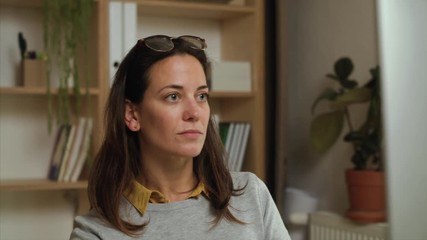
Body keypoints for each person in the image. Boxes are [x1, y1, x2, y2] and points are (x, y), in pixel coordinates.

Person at [70, 35, 291, 240]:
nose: (194, 112)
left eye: (201, 96)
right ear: (132, 114)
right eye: (173, 96)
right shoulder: (95, 232)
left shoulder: (251, 194)